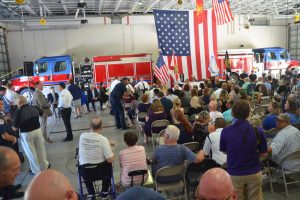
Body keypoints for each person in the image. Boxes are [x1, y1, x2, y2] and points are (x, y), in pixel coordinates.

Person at [220, 100, 268, 200]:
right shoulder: (258, 130)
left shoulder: (226, 131)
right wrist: (254, 160)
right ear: (249, 113)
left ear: (233, 113)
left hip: (235, 172)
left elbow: (224, 151)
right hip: (254, 171)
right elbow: (264, 154)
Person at [79, 117, 114, 199]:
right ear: (102, 127)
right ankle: (104, 193)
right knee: (109, 165)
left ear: (89, 126)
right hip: (101, 172)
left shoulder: (82, 136)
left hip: (86, 173)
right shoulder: (103, 140)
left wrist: (107, 142)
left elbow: (92, 141)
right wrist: (111, 148)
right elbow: (110, 159)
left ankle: (91, 194)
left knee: (86, 171)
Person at [13, 96, 50, 175]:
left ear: (20, 102)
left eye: (16, 103)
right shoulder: (34, 107)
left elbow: (15, 128)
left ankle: (36, 170)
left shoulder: (18, 112)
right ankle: (45, 166)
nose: (16, 105)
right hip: (38, 130)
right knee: (41, 149)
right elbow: (42, 113)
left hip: (26, 133)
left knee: (31, 152)